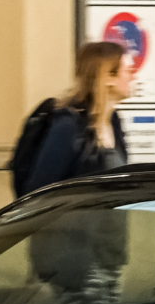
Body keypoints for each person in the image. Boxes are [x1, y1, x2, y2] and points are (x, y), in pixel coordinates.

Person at [10, 41, 138, 196]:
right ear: (108, 77)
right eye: (129, 71)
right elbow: (39, 191)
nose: (134, 78)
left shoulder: (113, 121)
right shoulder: (69, 126)